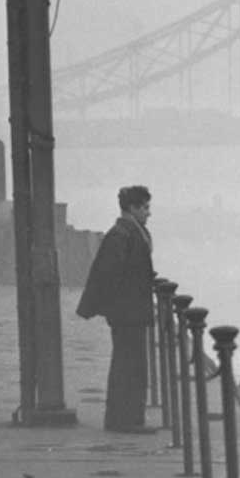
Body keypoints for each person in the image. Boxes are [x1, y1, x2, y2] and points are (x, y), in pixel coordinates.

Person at [76, 185, 156, 433]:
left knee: (130, 363)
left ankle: (128, 418)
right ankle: (125, 420)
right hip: (128, 312)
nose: (148, 213)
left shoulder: (127, 232)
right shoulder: (122, 234)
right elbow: (111, 275)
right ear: (132, 208)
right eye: (145, 207)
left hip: (130, 311)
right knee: (128, 365)